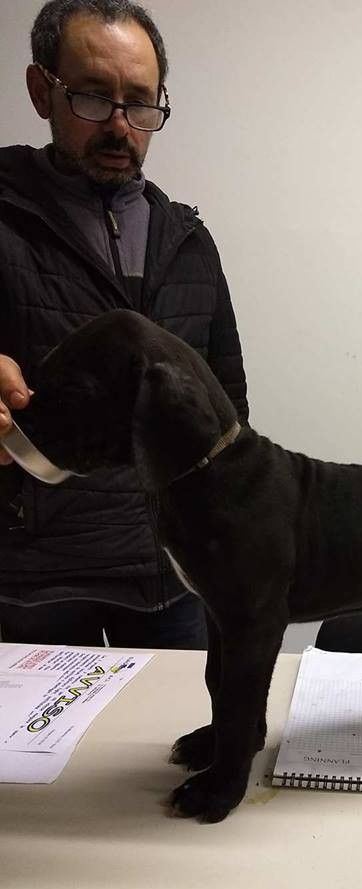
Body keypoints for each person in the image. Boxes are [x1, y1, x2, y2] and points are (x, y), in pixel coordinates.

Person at [0, 0, 249, 648]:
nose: (120, 126)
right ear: (41, 90)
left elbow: (230, 408)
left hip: (179, 573)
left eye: (140, 103)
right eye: (91, 97)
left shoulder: (189, 239)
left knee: (190, 717)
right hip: (32, 579)